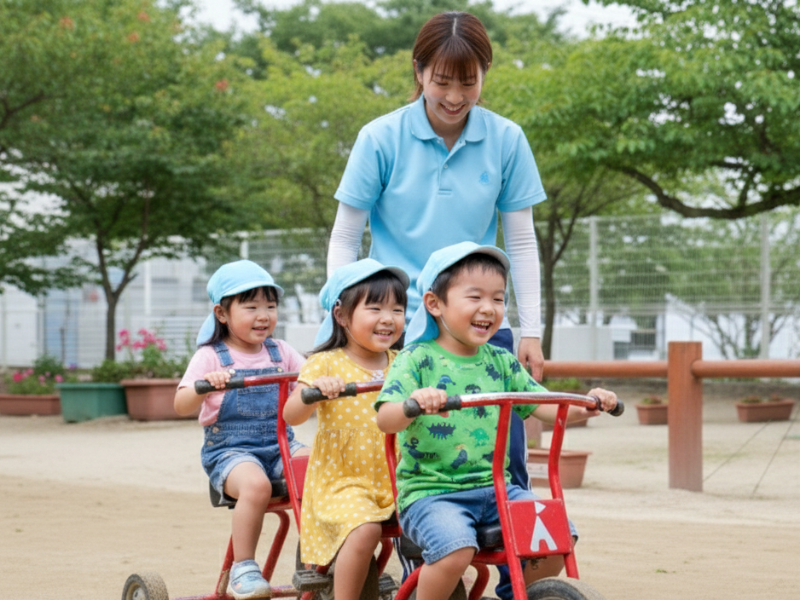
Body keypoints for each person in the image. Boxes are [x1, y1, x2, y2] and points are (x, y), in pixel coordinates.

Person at [327, 13, 545, 593]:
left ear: (484, 76)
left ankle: (519, 583)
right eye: (442, 80)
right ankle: (424, 568)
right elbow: (346, 235)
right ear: (419, 71)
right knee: (406, 455)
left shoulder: (506, 139)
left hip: (479, 319)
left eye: (468, 81)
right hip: (400, 323)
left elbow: (520, 239)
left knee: (505, 457)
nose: (454, 96)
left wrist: (531, 328)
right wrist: (347, 318)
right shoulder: (381, 137)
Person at [374, 243, 619, 600]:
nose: (488, 309)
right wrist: (413, 403)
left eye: (499, 299)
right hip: (432, 494)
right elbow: (385, 418)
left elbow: (543, 404)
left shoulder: (500, 361)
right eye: (474, 297)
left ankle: (521, 593)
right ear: (434, 304)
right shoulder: (416, 359)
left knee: (555, 536)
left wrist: (588, 405)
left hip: (499, 489)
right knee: (456, 548)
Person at [174, 260, 309, 600]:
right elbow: (181, 404)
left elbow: (310, 379)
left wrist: (323, 382)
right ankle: (244, 567)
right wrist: (205, 386)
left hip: (281, 445)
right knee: (256, 484)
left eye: (270, 306)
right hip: (231, 453)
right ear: (222, 313)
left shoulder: (281, 351)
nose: (263, 315)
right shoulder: (211, 357)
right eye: (251, 307)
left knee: (317, 466)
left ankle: (320, 556)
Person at [283, 259, 409, 600]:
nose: (388, 318)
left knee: (440, 515)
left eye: (398, 309)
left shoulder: (404, 363)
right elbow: (291, 415)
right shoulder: (326, 362)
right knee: (365, 527)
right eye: (375, 307)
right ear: (341, 314)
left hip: (399, 477)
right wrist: (314, 391)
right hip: (342, 482)